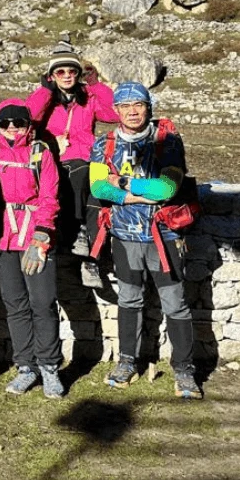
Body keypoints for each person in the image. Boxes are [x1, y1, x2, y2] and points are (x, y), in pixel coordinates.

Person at [90, 82, 202, 400]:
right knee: (128, 299)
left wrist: (123, 183)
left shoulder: (168, 140)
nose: (132, 112)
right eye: (125, 106)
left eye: (138, 105)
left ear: (148, 107)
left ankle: (184, 370)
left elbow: (167, 189)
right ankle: (127, 362)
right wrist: (140, 195)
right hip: (124, 236)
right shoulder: (104, 144)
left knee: (175, 303)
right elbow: (98, 188)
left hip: (164, 236)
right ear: (116, 110)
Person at [26, 41, 117, 288]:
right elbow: (29, 117)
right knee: (80, 172)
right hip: (57, 159)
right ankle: (80, 235)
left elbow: (114, 113)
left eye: (72, 71)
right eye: (60, 72)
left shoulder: (88, 97)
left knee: (98, 194)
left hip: (87, 157)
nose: (67, 76)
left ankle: (92, 257)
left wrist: (96, 84)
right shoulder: (47, 99)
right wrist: (45, 91)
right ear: (52, 75)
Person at [0, 98, 64, 399]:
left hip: (35, 235)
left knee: (43, 303)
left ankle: (49, 367)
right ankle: (25, 366)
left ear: (28, 125)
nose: (12, 127)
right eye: (5, 122)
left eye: (18, 122)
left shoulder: (40, 153)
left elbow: (50, 196)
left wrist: (42, 236)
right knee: (16, 304)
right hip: (4, 237)